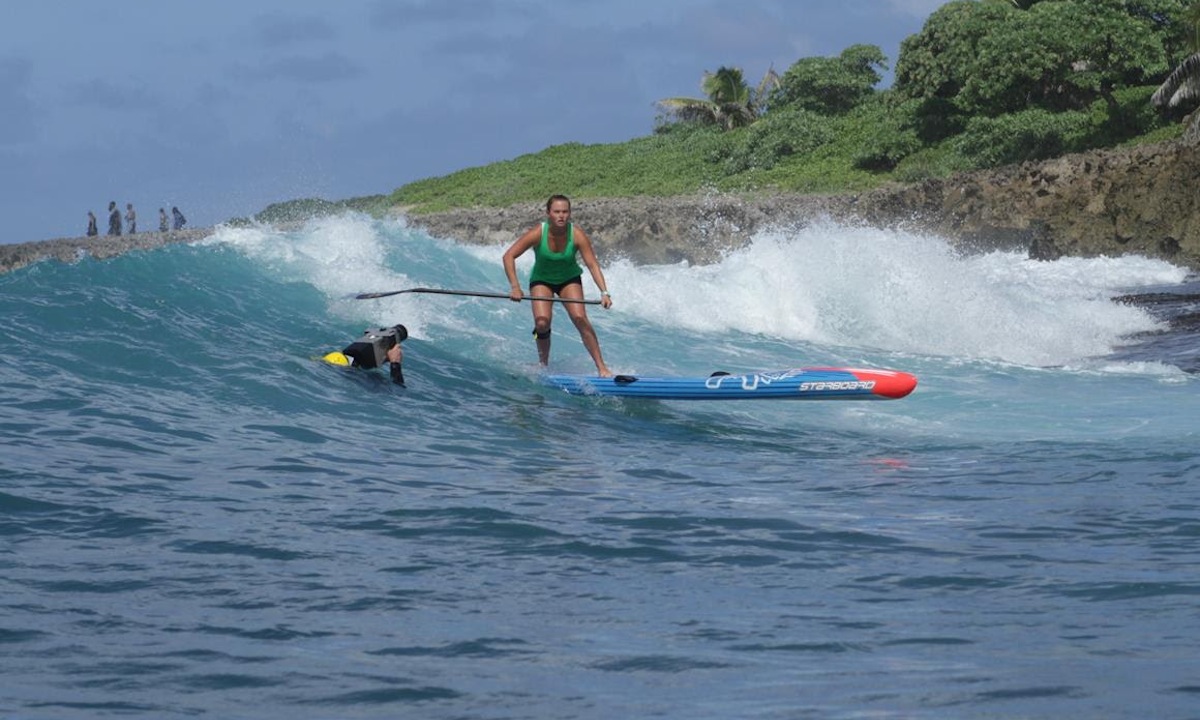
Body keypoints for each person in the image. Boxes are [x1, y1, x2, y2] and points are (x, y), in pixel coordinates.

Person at [502, 194, 613, 376]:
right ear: (548, 213)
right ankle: (543, 364)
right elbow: (508, 256)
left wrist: (604, 292)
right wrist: (515, 286)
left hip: (569, 280)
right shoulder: (538, 232)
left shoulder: (576, 235)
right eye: (557, 212)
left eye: (565, 212)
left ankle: (602, 367)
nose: (561, 216)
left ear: (569, 214)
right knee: (541, 323)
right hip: (542, 280)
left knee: (580, 318)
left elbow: (592, 264)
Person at [321, 324, 408, 386]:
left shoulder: (336, 356)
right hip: (343, 368)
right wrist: (395, 363)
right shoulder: (370, 378)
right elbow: (397, 390)